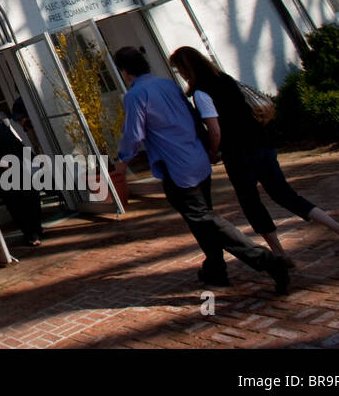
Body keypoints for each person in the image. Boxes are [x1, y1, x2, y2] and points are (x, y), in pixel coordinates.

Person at [169, 46, 339, 268]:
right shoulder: (225, 80)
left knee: (251, 202)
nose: (181, 74)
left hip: (238, 153)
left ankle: (279, 253)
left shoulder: (201, 92)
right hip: (261, 143)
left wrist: (212, 152)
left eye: (180, 70)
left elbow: (215, 130)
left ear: (187, 68)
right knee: (284, 194)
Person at [111, 46, 291, 292]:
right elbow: (193, 117)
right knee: (202, 219)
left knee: (205, 218)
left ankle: (268, 261)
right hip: (197, 158)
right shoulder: (168, 85)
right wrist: (208, 148)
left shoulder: (136, 95)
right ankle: (216, 268)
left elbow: (133, 134)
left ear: (124, 71)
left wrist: (121, 162)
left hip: (177, 168)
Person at [0, 102, 43, 246]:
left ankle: (37, 228)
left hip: (19, 169)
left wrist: (34, 159)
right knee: (17, 205)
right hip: (4, 175)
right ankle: (30, 234)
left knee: (32, 196)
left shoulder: (5, 128)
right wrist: (1, 164)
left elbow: (19, 145)